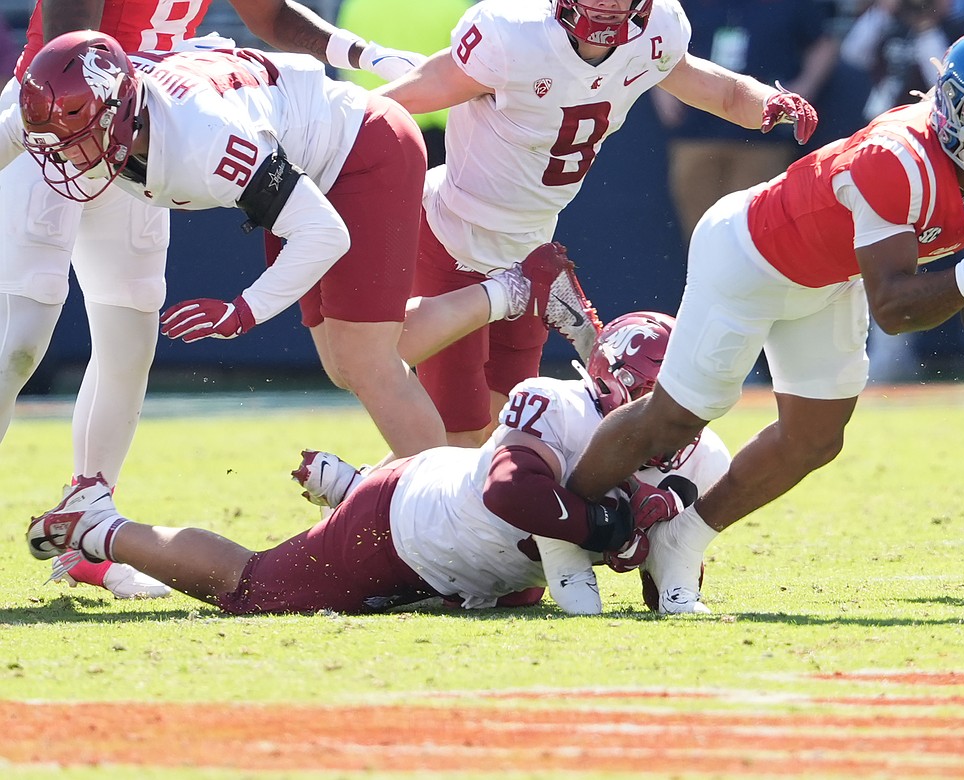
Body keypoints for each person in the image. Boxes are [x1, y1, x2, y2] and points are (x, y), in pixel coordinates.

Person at [3, 32, 587, 595]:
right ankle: (512, 296)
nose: (66, 159)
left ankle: (446, 524)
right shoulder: (77, 110)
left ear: (120, 114)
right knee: (345, 362)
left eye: (76, 141)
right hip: (305, 159)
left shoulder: (203, 142)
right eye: (54, 141)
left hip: (362, 153)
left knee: (370, 363)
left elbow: (321, 231)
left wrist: (243, 311)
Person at [565, 26, 964, 613]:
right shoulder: (896, 155)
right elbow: (895, 307)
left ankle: (682, 539)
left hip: (831, 279)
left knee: (814, 439)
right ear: (952, 104)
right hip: (750, 257)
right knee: (675, 420)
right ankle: (564, 535)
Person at [0, 0, 427, 598]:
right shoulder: (76, 111)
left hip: (140, 123)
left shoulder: (202, 139)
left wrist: (368, 55)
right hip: (67, 109)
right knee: (18, 338)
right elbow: (72, 51)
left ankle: (89, 525)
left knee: (130, 339)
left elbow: (274, 16)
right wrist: (77, 126)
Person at [26, 312, 732, 616]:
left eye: (675, 406)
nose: (663, 427)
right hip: (409, 529)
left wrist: (660, 550)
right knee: (253, 590)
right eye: (645, 406)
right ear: (605, 391)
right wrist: (612, 528)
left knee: (520, 596)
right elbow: (512, 491)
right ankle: (100, 527)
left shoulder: (703, 453)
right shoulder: (559, 403)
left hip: (492, 568)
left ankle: (345, 482)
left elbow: (661, 577)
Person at [378, 0, 819, 447]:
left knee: (505, 433)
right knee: (453, 438)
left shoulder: (654, 32)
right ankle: (353, 491)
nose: (609, 3)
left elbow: (715, 89)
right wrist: (345, 125)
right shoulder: (513, 32)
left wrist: (766, 101)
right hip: (454, 234)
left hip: (530, 247)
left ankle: (530, 291)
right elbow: (426, 86)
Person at [652, 0, 840, 241]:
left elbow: (823, 42)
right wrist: (661, 87)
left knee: (755, 231)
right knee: (699, 232)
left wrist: (804, 87)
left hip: (763, 135)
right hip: (697, 127)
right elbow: (655, 38)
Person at [334, 0, 473, 166]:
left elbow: (345, 65)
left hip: (372, 124)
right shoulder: (456, 6)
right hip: (440, 129)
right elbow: (469, 71)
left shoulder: (355, 5)